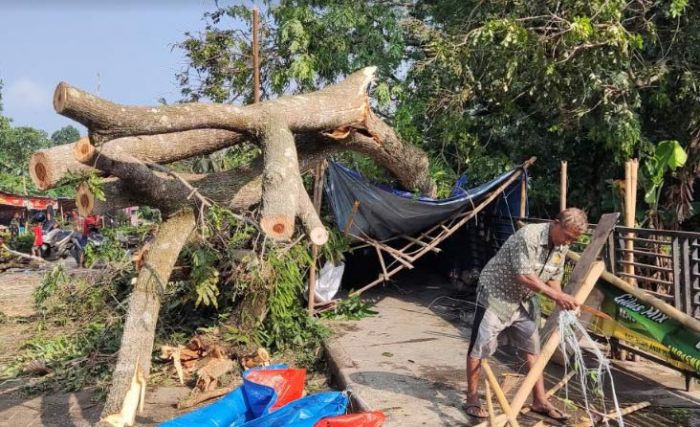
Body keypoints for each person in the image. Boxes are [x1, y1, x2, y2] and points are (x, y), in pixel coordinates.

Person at [464, 208, 588, 421]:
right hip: (496, 294)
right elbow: (524, 275)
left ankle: (539, 400)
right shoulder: (529, 236)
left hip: (523, 299)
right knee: (480, 346)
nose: (568, 242)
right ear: (555, 223)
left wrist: (562, 299)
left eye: (573, 240)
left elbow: (553, 276)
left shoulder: (561, 246)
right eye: (567, 236)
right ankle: (472, 398)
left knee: (533, 347)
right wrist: (556, 297)